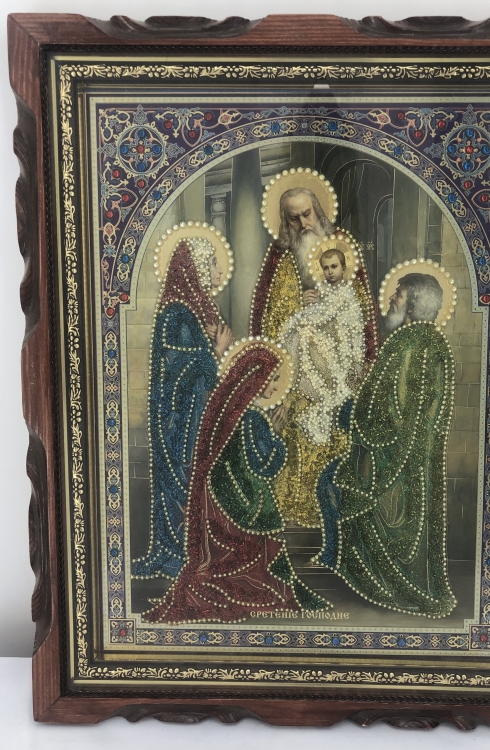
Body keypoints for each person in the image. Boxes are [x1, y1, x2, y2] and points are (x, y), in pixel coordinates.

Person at [142, 340, 330, 624]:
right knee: (267, 534)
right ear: (255, 379)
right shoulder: (253, 419)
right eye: (271, 379)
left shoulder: (229, 413)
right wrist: (277, 434)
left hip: (222, 496)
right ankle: (258, 589)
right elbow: (266, 465)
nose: (273, 386)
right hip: (244, 500)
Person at [316, 272, 457, 618]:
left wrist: (352, 409)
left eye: (399, 294)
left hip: (388, 465)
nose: (392, 298)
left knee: (330, 482)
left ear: (413, 304)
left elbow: (390, 412)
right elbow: (407, 404)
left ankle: (352, 570)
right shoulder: (436, 344)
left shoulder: (407, 343)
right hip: (416, 462)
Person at [250, 183, 379, 527]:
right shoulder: (279, 256)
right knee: (296, 428)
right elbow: (265, 312)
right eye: (294, 219)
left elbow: (361, 307)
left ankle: (335, 509)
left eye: (307, 214)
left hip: (339, 361)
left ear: (318, 212)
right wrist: (297, 304)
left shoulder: (341, 246)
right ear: (285, 222)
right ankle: (295, 508)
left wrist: (366, 358)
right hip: (296, 365)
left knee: (336, 430)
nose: (303, 224)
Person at [132, 237, 233, 580]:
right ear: (195, 269)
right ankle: (182, 553)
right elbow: (182, 370)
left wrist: (211, 346)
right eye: (212, 264)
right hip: (179, 422)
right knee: (184, 480)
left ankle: (196, 550)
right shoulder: (177, 314)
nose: (219, 271)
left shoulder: (196, 311)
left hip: (193, 415)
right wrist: (217, 350)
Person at [280, 247, 365, 446]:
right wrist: (305, 305)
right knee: (299, 335)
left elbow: (352, 331)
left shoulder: (347, 296)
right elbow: (311, 316)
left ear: (343, 268)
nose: (330, 271)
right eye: (326, 268)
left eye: (334, 266)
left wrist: (356, 363)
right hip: (322, 351)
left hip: (340, 355)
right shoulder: (320, 292)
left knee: (304, 335)